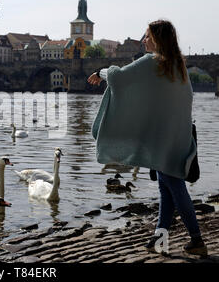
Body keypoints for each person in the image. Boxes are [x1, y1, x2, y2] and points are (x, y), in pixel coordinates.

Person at [88, 19, 207, 256]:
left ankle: (197, 240)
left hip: (163, 141)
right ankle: (159, 237)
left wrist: (100, 72)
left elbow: (119, 78)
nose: (144, 41)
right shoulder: (177, 64)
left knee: (175, 186)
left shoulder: (152, 61)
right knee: (166, 188)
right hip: (178, 136)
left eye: (147, 37)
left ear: (158, 40)